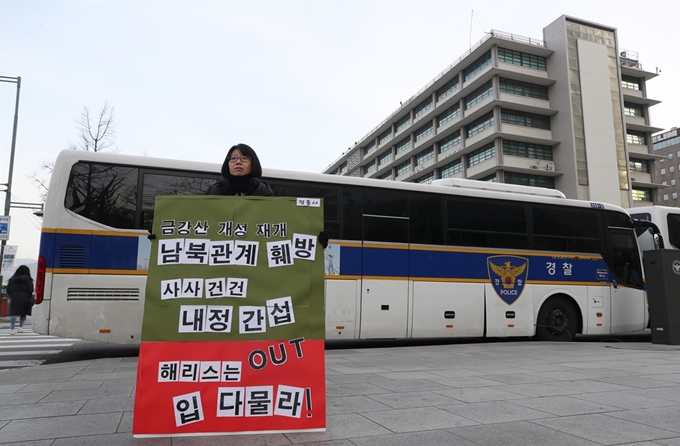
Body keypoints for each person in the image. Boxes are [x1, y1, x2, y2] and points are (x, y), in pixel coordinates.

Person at [205, 143, 274, 196]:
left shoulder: (263, 191)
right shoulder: (214, 190)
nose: (238, 162)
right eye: (233, 158)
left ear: (253, 163)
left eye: (244, 158)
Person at [6, 265, 34, 335]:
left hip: (14, 297)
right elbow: (31, 289)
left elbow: (8, 289)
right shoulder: (28, 280)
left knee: (13, 313)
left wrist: (12, 295)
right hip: (25, 297)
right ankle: (20, 328)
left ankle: (12, 329)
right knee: (23, 313)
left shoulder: (12, 279)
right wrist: (28, 296)